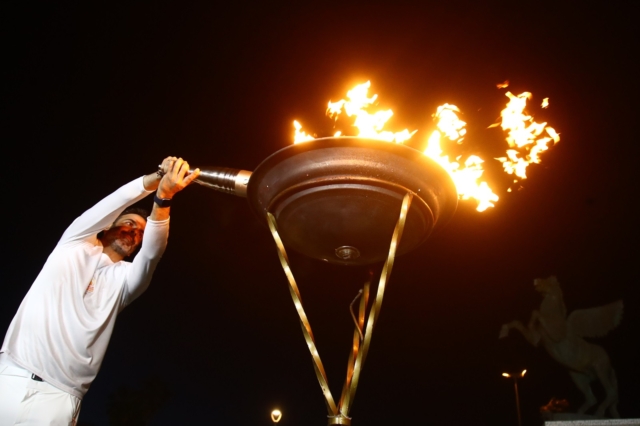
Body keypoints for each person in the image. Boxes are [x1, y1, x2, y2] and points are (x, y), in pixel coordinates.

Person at [0, 156, 200, 425]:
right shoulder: (73, 244)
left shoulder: (127, 281)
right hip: (11, 375)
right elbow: (113, 202)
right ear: (108, 227)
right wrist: (156, 178)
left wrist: (163, 198)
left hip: (58, 399)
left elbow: (153, 253)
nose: (133, 231)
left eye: (140, 231)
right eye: (128, 223)